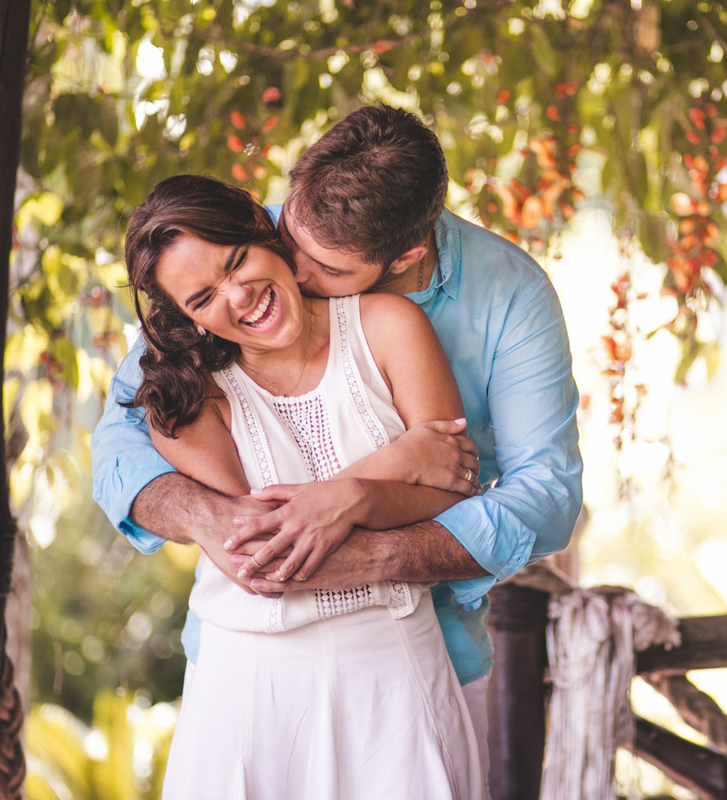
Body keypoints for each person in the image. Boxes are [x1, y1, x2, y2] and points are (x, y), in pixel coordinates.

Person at [90, 104, 584, 777]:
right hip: (249, 663)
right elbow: (123, 441)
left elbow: (545, 496)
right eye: (285, 231)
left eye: (322, 267)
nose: (288, 268)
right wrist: (218, 521)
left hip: (422, 648)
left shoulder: (505, 299)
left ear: (404, 257)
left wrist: (368, 544)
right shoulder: (239, 248)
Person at [121, 174, 484, 798]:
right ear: (186, 319)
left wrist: (351, 499)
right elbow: (264, 551)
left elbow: (453, 495)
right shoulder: (182, 398)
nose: (239, 297)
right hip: (251, 686)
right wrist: (400, 461)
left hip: (394, 667)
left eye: (237, 262)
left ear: (268, 232)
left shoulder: (388, 325)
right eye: (203, 298)